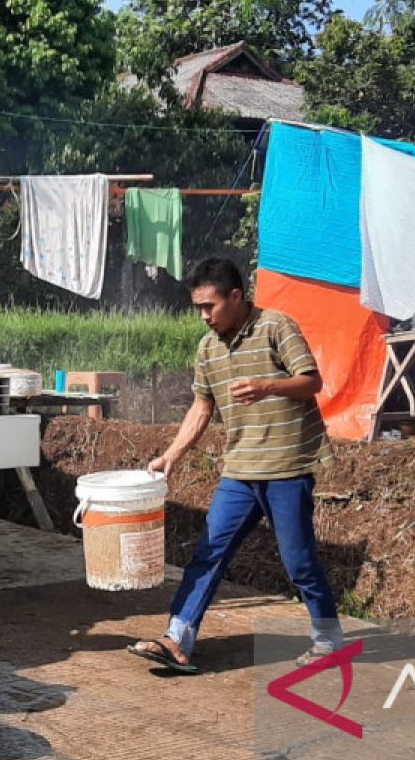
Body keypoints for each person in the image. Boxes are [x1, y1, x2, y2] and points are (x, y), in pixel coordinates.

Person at [128, 257, 342, 674]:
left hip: (286, 466)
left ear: (237, 297)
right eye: (198, 309)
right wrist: (171, 455)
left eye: (210, 306)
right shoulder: (208, 349)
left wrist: (267, 386)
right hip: (240, 470)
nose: (204, 317)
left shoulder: (276, 326)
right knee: (209, 553)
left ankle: (328, 637)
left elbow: (312, 382)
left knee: (298, 561)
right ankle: (177, 638)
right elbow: (201, 407)